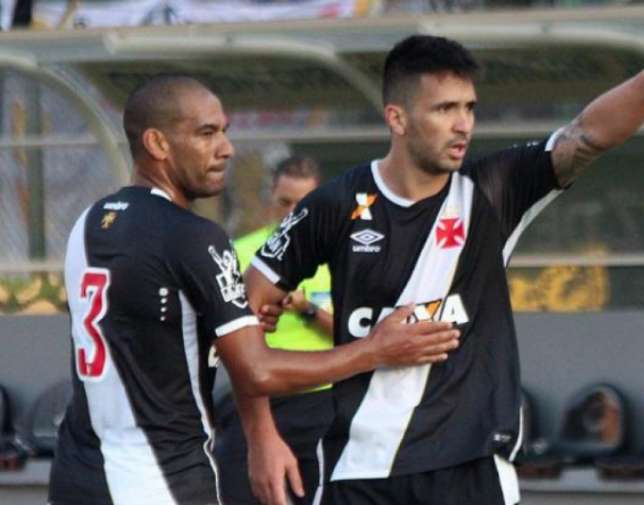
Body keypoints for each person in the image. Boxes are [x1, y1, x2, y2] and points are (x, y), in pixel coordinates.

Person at [243, 20, 644, 505]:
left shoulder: (494, 190)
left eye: (469, 108)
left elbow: (589, 134)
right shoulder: (335, 204)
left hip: (471, 466)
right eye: (445, 109)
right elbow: (242, 320)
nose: (464, 125)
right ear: (397, 118)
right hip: (363, 470)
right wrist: (262, 435)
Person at [47, 75, 461, 505]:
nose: (226, 148)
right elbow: (256, 370)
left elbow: (140, 331)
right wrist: (377, 349)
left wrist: (220, 324)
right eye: (206, 134)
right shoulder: (192, 235)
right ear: (157, 143)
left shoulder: (89, 223)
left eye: (224, 131)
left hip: (77, 473)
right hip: (156, 478)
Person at [216, 156, 334, 505]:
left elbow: (356, 336)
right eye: (284, 202)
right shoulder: (240, 253)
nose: (293, 212)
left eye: (304, 204)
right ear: (272, 199)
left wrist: (305, 308)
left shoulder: (341, 255)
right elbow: (220, 332)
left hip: (322, 398)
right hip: (259, 397)